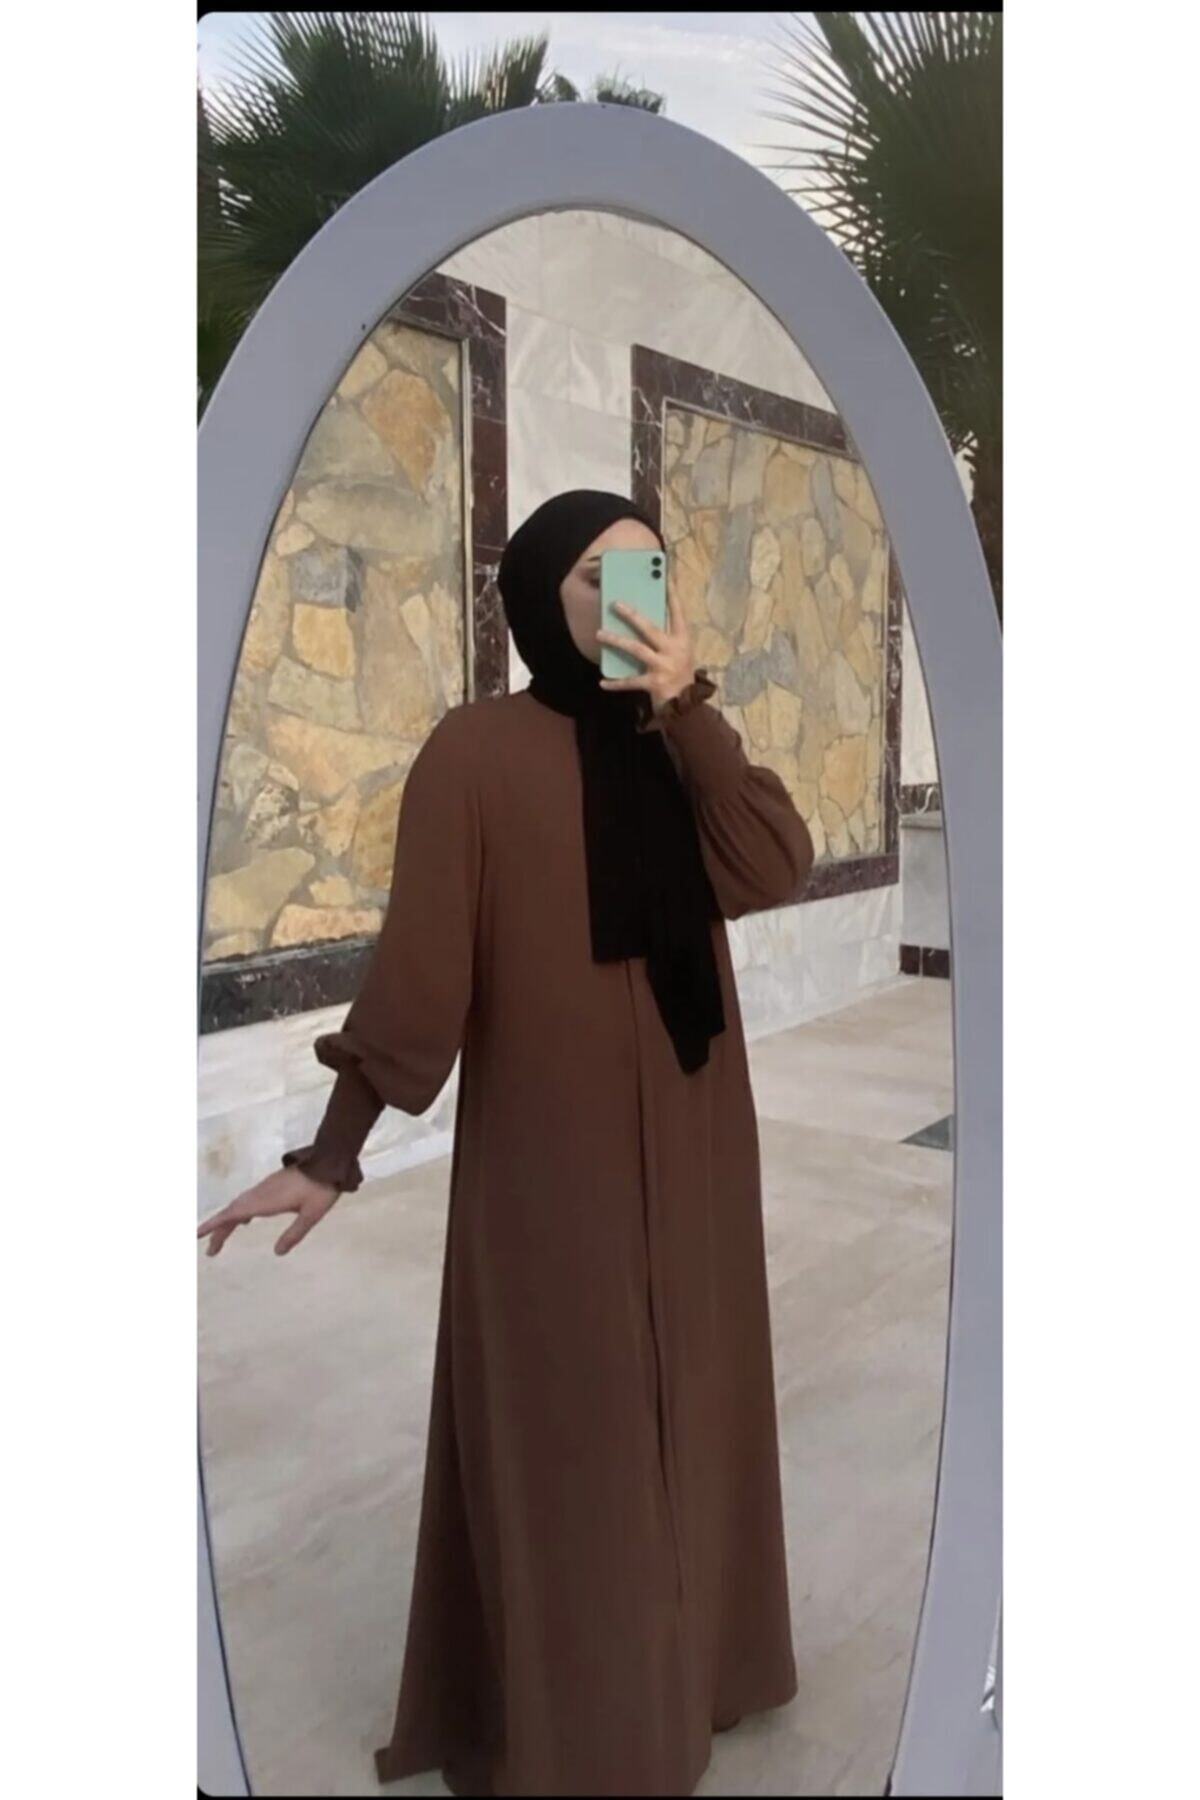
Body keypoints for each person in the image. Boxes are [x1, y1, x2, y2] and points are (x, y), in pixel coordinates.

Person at [199, 489, 816, 1796]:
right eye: (600, 578)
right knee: (575, 1439)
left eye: (651, 573)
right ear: (540, 595)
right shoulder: (475, 754)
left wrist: (686, 709)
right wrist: (330, 1152)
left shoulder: (678, 744)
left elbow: (774, 864)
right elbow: (422, 974)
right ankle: (586, 1728)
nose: (631, 601)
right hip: (554, 1158)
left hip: (702, 1137)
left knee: (699, 1409)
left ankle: (701, 1676)